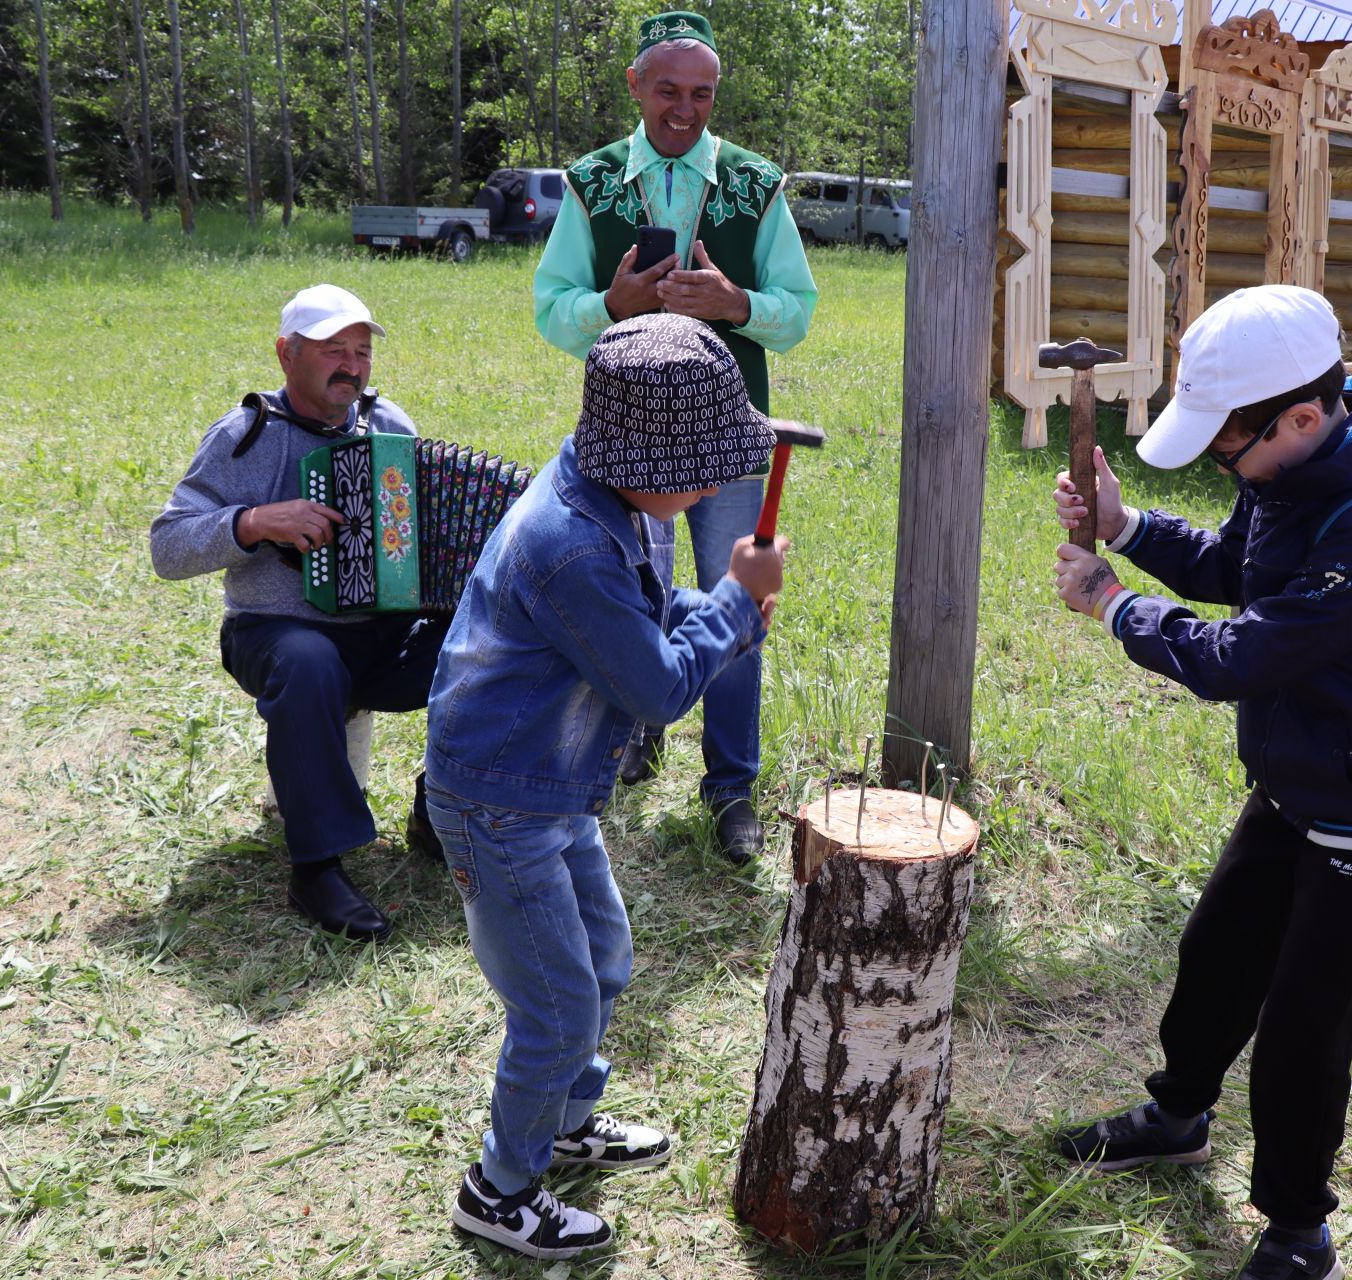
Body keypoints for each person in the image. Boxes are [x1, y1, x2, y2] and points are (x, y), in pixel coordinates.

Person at [1048, 285, 1352, 1280]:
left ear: (1303, 415)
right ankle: (1180, 1113)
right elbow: (1239, 570)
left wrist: (1112, 604)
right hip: (1301, 773)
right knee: (1216, 953)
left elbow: (1243, 652)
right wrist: (1129, 522)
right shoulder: (1291, 469)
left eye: (1227, 446)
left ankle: (1296, 1228)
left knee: (1302, 1030)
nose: (1224, 462)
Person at [425, 313, 788, 1261]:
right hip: (502, 798)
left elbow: (652, 615)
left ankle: (562, 1120)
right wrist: (736, 605)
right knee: (555, 1008)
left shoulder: (621, 501)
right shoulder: (574, 545)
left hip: (554, 782)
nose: (715, 482)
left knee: (604, 956)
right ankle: (500, 1189)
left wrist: (718, 606)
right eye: (700, 464)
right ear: (642, 454)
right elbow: (659, 687)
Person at [532, 8, 817, 865]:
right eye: (668, 90)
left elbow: (797, 312)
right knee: (628, 596)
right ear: (635, 87)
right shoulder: (591, 183)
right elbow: (551, 308)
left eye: (701, 92)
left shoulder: (756, 183)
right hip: (623, 441)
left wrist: (737, 306)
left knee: (740, 604)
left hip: (728, 438)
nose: (684, 109)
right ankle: (628, 738)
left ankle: (731, 785)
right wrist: (612, 307)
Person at [150, 284, 446, 944]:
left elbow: (422, 526)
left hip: (381, 633)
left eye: (362, 351)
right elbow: (167, 547)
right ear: (286, 354)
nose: (352, 364)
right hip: (273, 633)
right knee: (309, 660)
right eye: (333, 349)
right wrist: (252, 522)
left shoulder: (389, 425)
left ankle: (442, 810)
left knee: (489, 635)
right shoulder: (245, 436)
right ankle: (316, 868)